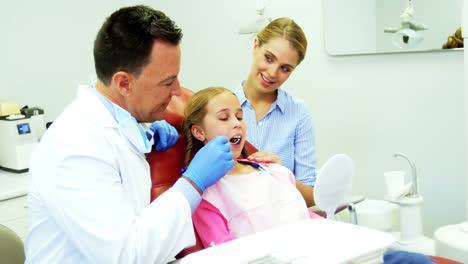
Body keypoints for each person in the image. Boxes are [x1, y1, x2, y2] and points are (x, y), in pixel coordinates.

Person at [24, 5, 234, 264]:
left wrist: (141, 129)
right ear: (124, 83)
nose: (178, 91)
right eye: (167, 82)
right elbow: (127, 254)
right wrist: (194, 182)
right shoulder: (74, 145)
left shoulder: (121, 123)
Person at [182, 87, 322, 248]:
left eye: (240, 117)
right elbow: (224, 254)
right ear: (199, 132)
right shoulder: (206, 194)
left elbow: (306, 216)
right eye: (223, 118)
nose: (237, 124)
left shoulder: (272, 169)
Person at [234, 17, 317, 207]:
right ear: (256, 46)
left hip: (284, 223)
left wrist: (282, 175)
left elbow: (311, 197)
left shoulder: (298, 113)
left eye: (285, 68)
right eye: (268, 58)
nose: (272, 72)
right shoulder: (222, 109)